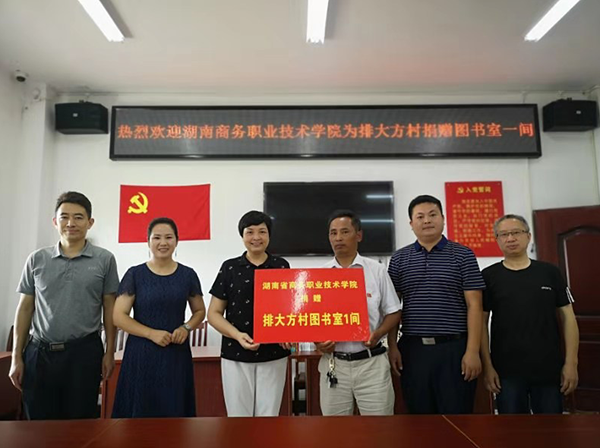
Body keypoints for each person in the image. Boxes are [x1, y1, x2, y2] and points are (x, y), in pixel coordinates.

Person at [8, 191, 119, 420]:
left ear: (90, 222)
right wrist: (16, 357)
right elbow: (25, 309)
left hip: (84, 354)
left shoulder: (104, 259)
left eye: (78, 217)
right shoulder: (36, 259)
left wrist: (109, 352)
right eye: (64, 217)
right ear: (55, 221)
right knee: (37, 426)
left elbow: (110, 308)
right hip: (39, 354)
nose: (71, 223)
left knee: (80, 425)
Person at [387, 194, 485, 414]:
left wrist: (472, 351)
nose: (427, 220)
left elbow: (475, 306)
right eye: (420, 216)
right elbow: (393, 308)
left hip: (454, 350)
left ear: (443, 218)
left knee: (457, 416)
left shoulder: (463, 255)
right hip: (413, 351)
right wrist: (392, 346)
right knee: (419, 418)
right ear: (411, 223)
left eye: (432, 215)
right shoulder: (399, 259)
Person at [481, 214, 579, 414]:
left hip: (548, 367)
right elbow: (480, 323)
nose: (510, 238)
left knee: (551, 428)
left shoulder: (550, 272)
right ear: (497, 239)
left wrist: (571, 362)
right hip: (506, 371)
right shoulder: (488, 276)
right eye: (504, 234)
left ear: (528, 236)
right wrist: (487, 366)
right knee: (513, 429)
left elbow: (568, 318)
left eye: (516, 232)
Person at [112, 217, 206, 418]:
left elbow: (199, 311)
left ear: (177, 241)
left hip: (176, 352)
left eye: (168, 237)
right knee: (140, 412)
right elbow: (119, 317)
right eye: (157, 238)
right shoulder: (135, 274)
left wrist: (186, 328)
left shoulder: (188, 275)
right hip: (141, 353)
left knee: (174, 410)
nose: (163, 242)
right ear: (148, 241)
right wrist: (151, 333)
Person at [316, 210, 401, 416]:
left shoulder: (376, 270)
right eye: (333, 233)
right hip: (334, 364)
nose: (338, 238)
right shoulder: (319, 276)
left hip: (372, 364)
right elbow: (311, 320)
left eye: (345, 232)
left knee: (379, 428)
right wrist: (318, 341)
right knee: (334, 430)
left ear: (359, 235)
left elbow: (393, 312)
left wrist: (378, 333)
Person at [207, 210, 290, 417]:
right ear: (242, 236)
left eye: (262, 231)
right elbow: (214, 314)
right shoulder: (230, 267)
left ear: (269, 235)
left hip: (273, 353)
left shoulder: (281, 266)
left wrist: (288, 332)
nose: (256, 237)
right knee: (238, 418)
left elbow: (291, 308)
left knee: (269, 416)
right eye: (250, 232)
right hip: (235, 353)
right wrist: (237, 335)